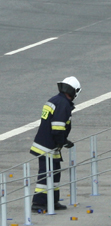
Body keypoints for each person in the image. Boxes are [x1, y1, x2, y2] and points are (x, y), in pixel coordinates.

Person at [29, 76, 80, 212]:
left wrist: (62, 141)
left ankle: (53, 200)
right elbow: (57, 128)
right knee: (46, 174)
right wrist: (63, 141)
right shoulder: (63, 104)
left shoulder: (54, 100)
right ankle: (38, 203)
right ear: (74, 91)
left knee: (55, 173)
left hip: (48, 144)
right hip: (48, 146)